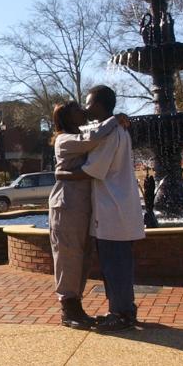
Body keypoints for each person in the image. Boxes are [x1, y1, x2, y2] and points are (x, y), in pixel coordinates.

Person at [58, 85, 145, 332]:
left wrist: (62, 174)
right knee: (120, 265)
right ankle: (125, 310)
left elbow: (92, 170)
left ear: (98, 105)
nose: (85, 108)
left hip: (112, 211)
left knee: (115, 266)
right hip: (118, 209)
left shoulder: (111, 133)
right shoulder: (117, 129)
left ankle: (121, 313)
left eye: (88, 103)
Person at [48, 101, 125, 329]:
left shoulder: (80, 135)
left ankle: (76, 307)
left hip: (84, 207)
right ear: (67, 117)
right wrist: (115, 118)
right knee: (68, 256)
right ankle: (68, 310)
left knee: (82, 258)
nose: (83, 111)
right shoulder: (65, 140)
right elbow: (92, 139)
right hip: (66, 206)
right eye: (77, 109)